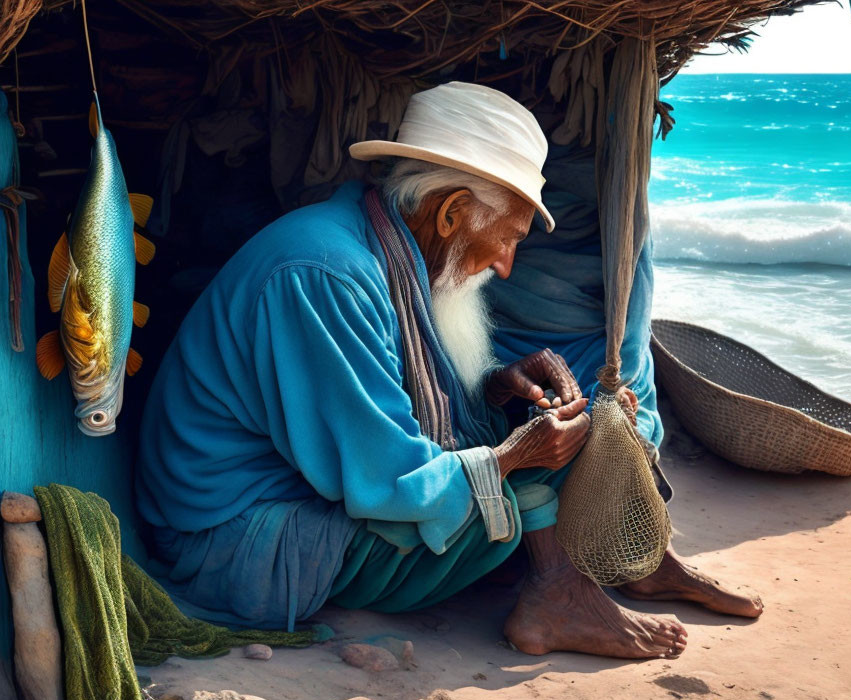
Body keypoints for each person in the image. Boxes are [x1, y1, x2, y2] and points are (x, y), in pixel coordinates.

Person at [136, 81, 761, 661]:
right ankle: (559, 593)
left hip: (282, 497)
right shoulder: (326, 275)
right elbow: (388, 479)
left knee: (551, 430)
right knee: (522, 474)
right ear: (450, 214)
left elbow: (386, 402)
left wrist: (495, 385)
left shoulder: (373, 244)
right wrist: (515, 456)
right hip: (235, 543)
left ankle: (612, 568)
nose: (508, 266)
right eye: (509, 238)